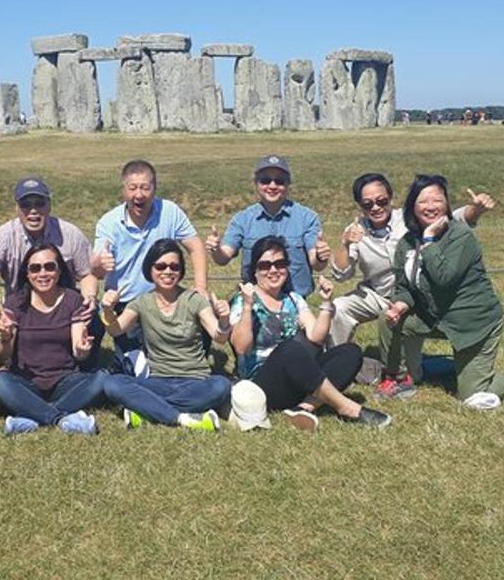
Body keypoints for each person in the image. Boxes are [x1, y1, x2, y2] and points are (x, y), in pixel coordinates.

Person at [327, 172, 496, 399]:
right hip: (376, 293)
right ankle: (334, 368)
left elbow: (453, 217)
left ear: (391, 198)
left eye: (382, 201)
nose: (376, 207)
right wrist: (345, 244)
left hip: (415, 296)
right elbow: (341, 275)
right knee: (339, 307)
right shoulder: (356, 229)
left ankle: (432, 366)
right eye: (368, 204)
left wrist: (477, 209)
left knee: (415, 374)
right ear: (360, 205)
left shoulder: (411, 218)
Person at [383, 174, 504, 408]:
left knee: (472, 396)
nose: (431, 207)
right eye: (423, 201)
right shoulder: (407, 242)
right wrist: (400, 304)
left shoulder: (460, 235)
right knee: (387, 320)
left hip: (473, 323)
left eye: (437, 200)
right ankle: (399, 379)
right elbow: (404, 285)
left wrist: (428, 241)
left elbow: (444, 278)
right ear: (412, 207)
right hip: (435, 317)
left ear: (447, 204)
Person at [228, 236, 391, 430]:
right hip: (261, 386)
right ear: (255, 271)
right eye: (265, 265)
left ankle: (304, 407)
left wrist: (326, 303)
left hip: (297, 378)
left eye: (280, 264)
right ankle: (347, 407)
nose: (273, 270)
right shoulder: (243, 299)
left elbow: (316, 337)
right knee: (290, 350)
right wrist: (248, 306)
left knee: (351, 353)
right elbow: (240, 347)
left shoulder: (293, 299)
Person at [100, 239, 232, 431]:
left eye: (174, 267)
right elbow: (115, 329)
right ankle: (183, 418)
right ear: (150, 270)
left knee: (221, 385)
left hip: (196, 380)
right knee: (113, 383)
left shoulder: (194, 300)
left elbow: (219, 337)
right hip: (158, 381)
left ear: (181, 270)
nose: (168, 272)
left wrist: (224, 319)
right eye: (160, 266)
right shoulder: (142, 303)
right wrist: (108, 310)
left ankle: (148, 411)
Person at [91, 160, 207, 359]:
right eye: (133, 188)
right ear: (124, 191)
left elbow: (195, 247)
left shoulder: (170, 211)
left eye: (145, 187)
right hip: (127, 304)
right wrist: (101, 264)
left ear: (154, 189)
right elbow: (95, 270)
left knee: (201, 318)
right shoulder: (108, 222)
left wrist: (201, 286)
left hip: (166, 298)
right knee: (137, 368)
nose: (139, 195)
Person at [0, 242, 105, 435]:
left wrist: (83, 350)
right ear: (27, 273)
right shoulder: (15, 303)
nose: (42, 273)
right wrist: (5, 338)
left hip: (65, 382)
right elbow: (1, 358)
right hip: (26, 382)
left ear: (59, 271)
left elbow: (79, 353)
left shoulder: (73, 299)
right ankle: (60, 419)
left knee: (102, 379)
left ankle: (30, 416)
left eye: (50, 267)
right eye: (35, 268)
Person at [207, 154, 330, 298]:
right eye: (265, 180)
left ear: (288, 184)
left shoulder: (307, 218)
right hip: (253, 300)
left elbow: (316, 264)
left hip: (296, 301)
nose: (272, 186)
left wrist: (321, 256)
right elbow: (223, 258)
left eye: (279, 181)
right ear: (256, 183)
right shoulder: (242, 219)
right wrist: (216, 249)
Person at [0, 176, 98, 304]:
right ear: (17, 208)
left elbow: (87, 275)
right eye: (25, 204)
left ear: (49, 205)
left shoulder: (71, 234)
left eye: (39, 203)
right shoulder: (4, 236)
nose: (33, 210)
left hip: (65, 310)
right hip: (20, 310)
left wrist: (90, 298)